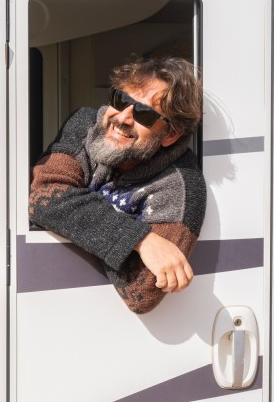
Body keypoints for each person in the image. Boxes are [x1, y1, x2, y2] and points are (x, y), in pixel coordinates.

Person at [29, 57, 205, 314]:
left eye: (144, 114)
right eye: (120, 100)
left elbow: (143, 291)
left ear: (170, 135)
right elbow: (45, 197)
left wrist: (75, 217)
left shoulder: (183, 186)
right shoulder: (85, 123)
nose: (122, 117)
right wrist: (141, 240)